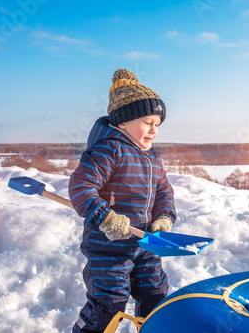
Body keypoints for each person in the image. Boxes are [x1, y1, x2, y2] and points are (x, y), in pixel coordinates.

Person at [69, 68, 176, 332]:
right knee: (110, 301)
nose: (154, 131)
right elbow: (81, 186)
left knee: (155, 295)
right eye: (148, 122)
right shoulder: (108, 150)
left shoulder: (153, 157)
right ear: (123, 122)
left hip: (146, 242)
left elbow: (164, 190)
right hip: (108, 247)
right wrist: (105, 217)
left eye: (157, 125)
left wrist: (164, 216)